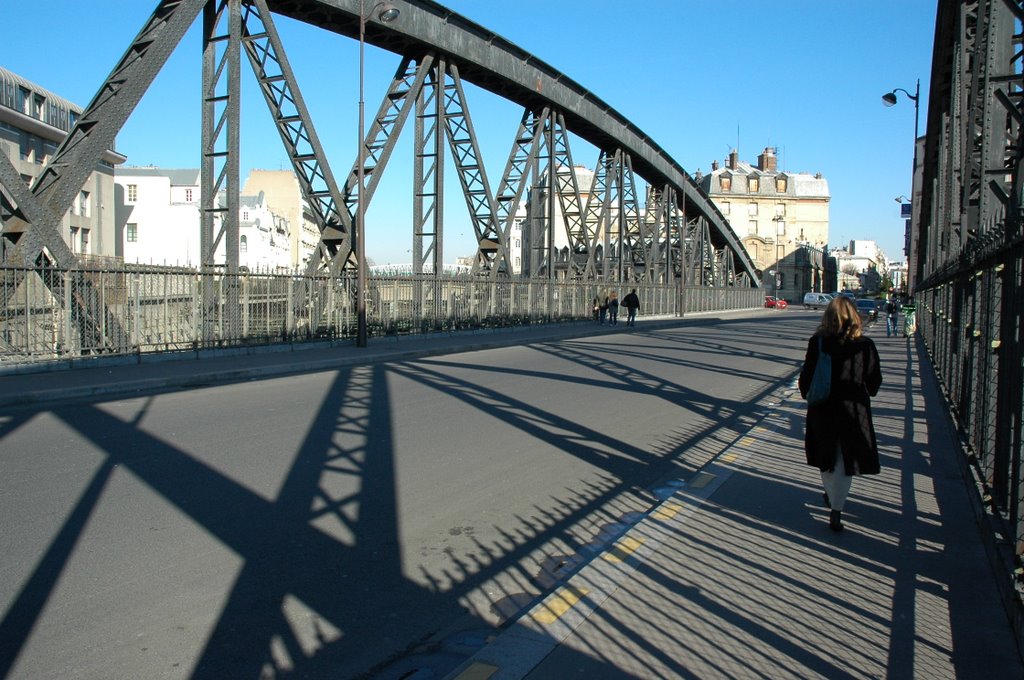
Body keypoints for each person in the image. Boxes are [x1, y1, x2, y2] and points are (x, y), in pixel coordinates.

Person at [798, 296, 882, 532]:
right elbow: (875, 383)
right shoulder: (865, 345)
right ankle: (837, 508)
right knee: (845, 461)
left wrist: (808, 394)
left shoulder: (818, 342)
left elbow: (806, 378)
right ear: (855, 317)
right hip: (853, 409)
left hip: (823, 408)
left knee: (826, 457)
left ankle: (830, 493)